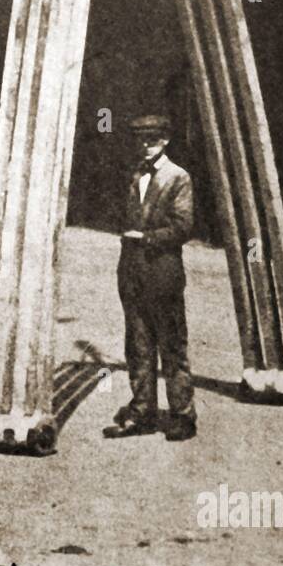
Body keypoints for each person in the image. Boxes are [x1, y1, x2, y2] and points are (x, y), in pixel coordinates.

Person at [113, 113, 196, 442]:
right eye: (142, 140)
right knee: (137, 345)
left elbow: (183, 227)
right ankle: (143, 409)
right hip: (132, 272)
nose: (147, 146)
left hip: (163, 272)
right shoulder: (134, 176)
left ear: (166, 140)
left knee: (171, 345)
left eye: (154, 139)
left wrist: (145, 238)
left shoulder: (179, 177)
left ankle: (182, 415)